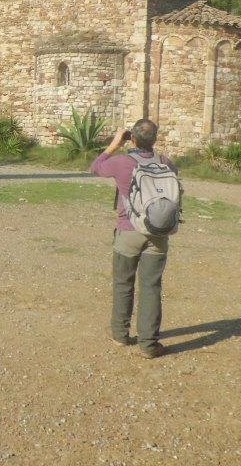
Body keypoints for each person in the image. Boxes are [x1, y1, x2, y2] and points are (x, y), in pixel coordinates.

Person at [90, 118, 177, 359]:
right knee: (151, 287)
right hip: (157, 235)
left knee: (123, 283)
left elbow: (95, 167)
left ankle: (120, 334)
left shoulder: (122, 163)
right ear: (155, 140)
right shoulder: (167, 163)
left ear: (133, 139)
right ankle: (149, 345)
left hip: (128, 231)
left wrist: (114, 144)